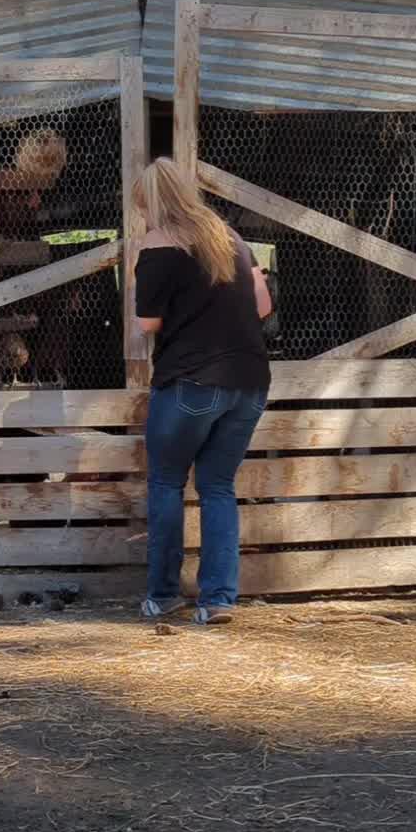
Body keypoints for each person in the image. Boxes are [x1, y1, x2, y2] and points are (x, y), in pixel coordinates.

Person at [133, 157, 272, 626]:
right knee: (217, 487)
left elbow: (147, 323)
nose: (144, 220)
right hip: (250, 382)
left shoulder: (159, 243)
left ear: (151, 204)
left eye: (143, 210)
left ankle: (163, 594)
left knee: (167, 483)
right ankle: (217, 600)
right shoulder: (230, 237)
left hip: (192, 380)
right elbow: (264, 304)